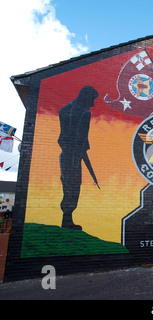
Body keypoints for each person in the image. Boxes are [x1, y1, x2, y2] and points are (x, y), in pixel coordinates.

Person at [58, 86, 99, 230]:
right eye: (92, 100)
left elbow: (66, 137)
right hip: (74, 157)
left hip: (64, 155)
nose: (93, 104)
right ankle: (67, 221)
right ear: (86, 97)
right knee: (74, 188)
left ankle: (66, 220)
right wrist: (76, 160)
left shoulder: (63, 110)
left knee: (67, 187)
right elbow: (81, 138)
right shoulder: (85, 114)